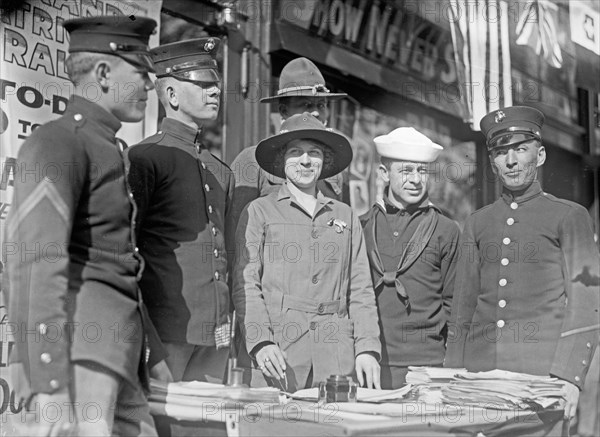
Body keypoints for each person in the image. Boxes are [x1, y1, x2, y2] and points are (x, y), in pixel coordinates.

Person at [3, 16, 159, 436]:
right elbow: (34, 260)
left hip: (111, 352)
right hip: (76, 355)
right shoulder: (59, 143)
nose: (151, 86)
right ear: (104, 73)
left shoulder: (105, 145)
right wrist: (49, 384)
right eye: (142, 73)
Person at [445, 106, 600, 421]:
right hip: (480, 381)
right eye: (502, 152)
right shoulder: (477, 222)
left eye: (520, 149)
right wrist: (451, 375)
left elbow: (587, 302)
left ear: (540, 156)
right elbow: (463, 306)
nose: (511, 160)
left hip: (542, 382)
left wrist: (570, 377)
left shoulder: (570, 217)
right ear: (492, 162)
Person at [233, 113, 381, 392]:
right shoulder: (260, 211)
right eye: (295, 152)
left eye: (314, 153)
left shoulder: (345, 215)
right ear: (281, 160)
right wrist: (261, 341)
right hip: (279, 355)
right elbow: (246, 286)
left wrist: (367, 348)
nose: (305, 161)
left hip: (335, 357)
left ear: (324, 161)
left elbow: (361, 289)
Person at [126, 38, 234, 389]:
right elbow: (128, 250)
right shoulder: (145, 158)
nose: (214, 91)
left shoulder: (220, 171)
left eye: (215, 84)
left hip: (216, 333)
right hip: (165, 331)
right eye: (202, 84)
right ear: (171, 94)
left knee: (206, 426)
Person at [361, 128, 460, 389]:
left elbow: (454, 304)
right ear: (384, 174)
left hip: (427, 368)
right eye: (406, 171)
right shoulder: (361, 227)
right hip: (370, 365)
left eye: (422, 171)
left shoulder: (446, 229)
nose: (416, 179)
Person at [229, 57, 349, 230]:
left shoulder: (337, 168)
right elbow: (235, 226)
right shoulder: (252, 160)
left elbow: (345, 228)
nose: (315, 112)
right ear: (284, 111)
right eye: (306, 105)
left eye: (321, 105)